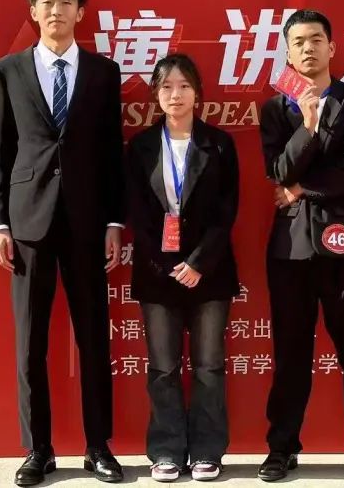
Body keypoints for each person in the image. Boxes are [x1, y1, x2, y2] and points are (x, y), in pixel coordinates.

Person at [0, 0, 125, 486]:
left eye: (65, 2)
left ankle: (98, 446)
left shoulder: (103, 72)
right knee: (30, 342)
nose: (56, 10)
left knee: (94, 338)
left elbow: (112, 153)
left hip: (88, 222)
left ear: (80, 11)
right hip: (28, 223)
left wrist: (114, 220)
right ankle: (38, 449)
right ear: (33, 11)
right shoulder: (7, 71)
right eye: (46, 2)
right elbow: (1, 152)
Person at [256, 9, 344, 483]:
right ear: (287, 52)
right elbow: (278, 171)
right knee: (290, 354)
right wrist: (309, 124)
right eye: (298, 42)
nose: (308, 48)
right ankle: (281, 449)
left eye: (316, 39)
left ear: (331, 47)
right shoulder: (276, 109)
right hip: (291, 250)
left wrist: (301, 189)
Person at [124, 54, 240, 483]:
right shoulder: (139, 147)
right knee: (163, 367)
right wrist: (167, 264)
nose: (176, 95)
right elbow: (137, 214)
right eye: (167, 87)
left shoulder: (219, 144)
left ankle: (208, 451)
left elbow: (227, 212)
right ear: (156, 94)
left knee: (208, 366)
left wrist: (197, 263)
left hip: (210, 272)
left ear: (198, 93)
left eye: (185, 86)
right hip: (158, 274)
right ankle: (166, 451)